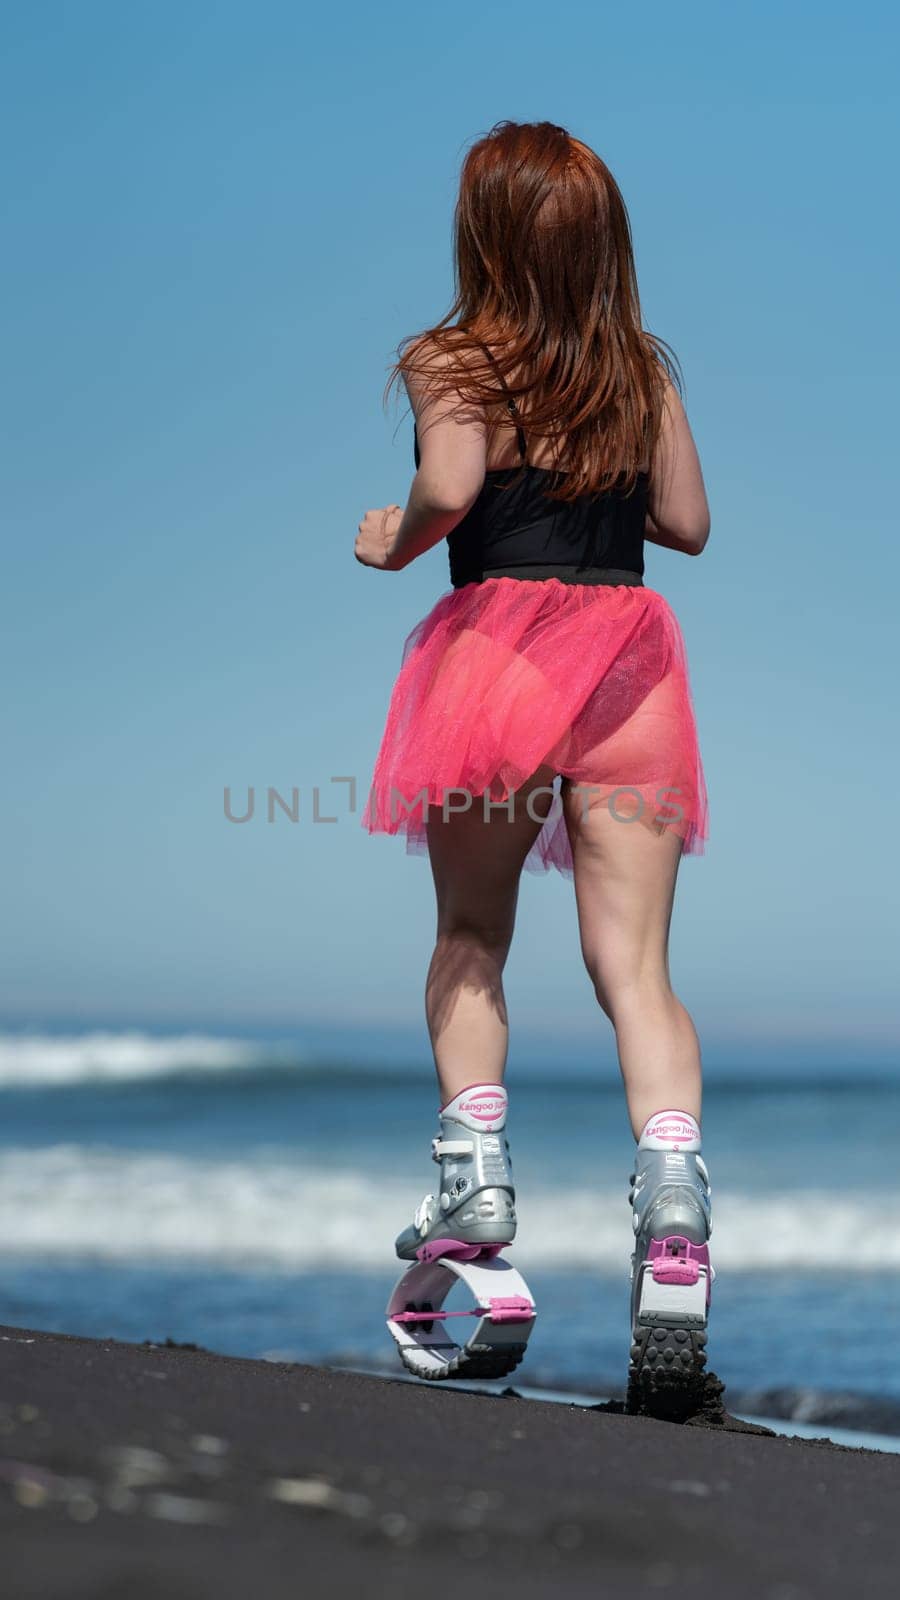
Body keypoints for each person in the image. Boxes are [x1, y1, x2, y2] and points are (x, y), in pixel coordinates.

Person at [355, 120, 713, 1411]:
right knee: (638, 971)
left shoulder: (452, 359)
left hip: (499, 650)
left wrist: (393, 541)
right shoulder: (640, 369)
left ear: (484, 234)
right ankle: (673, 1210)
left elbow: (449, 491)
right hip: (630, 658)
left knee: (470, 934)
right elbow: (687, 525)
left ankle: (478, 1192)